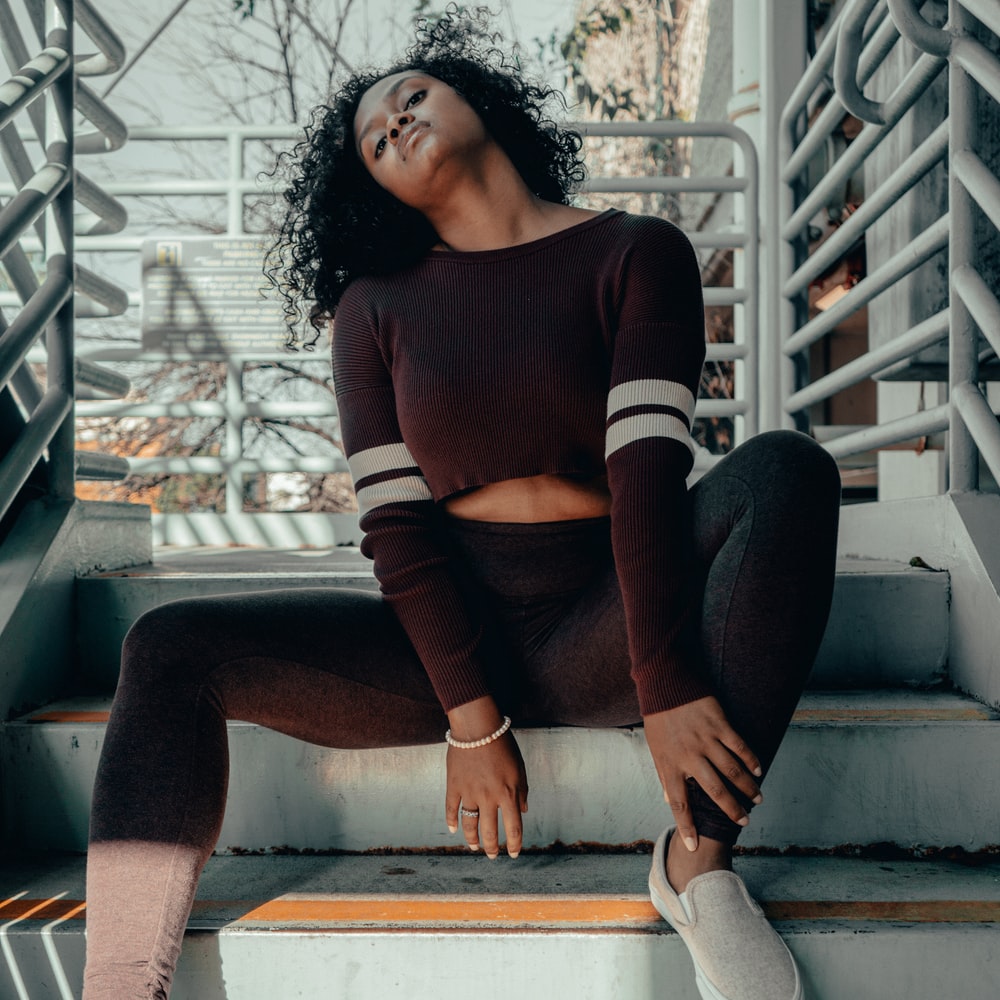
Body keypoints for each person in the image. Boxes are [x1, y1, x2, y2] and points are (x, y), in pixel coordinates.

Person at [83, 9, 840, 999]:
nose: (395, 122)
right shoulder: (372, 309)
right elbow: (395, 524)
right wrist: (472, 719)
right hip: (443, 638)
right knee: (169, 645)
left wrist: (660, 675)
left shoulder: (635, 251)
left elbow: (645, 477)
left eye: (411, 96)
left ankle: (697, 866)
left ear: (475, 100)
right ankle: (114, 988)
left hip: (606, 617)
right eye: (372, 137)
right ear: (372, 186)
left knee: (786, 470)